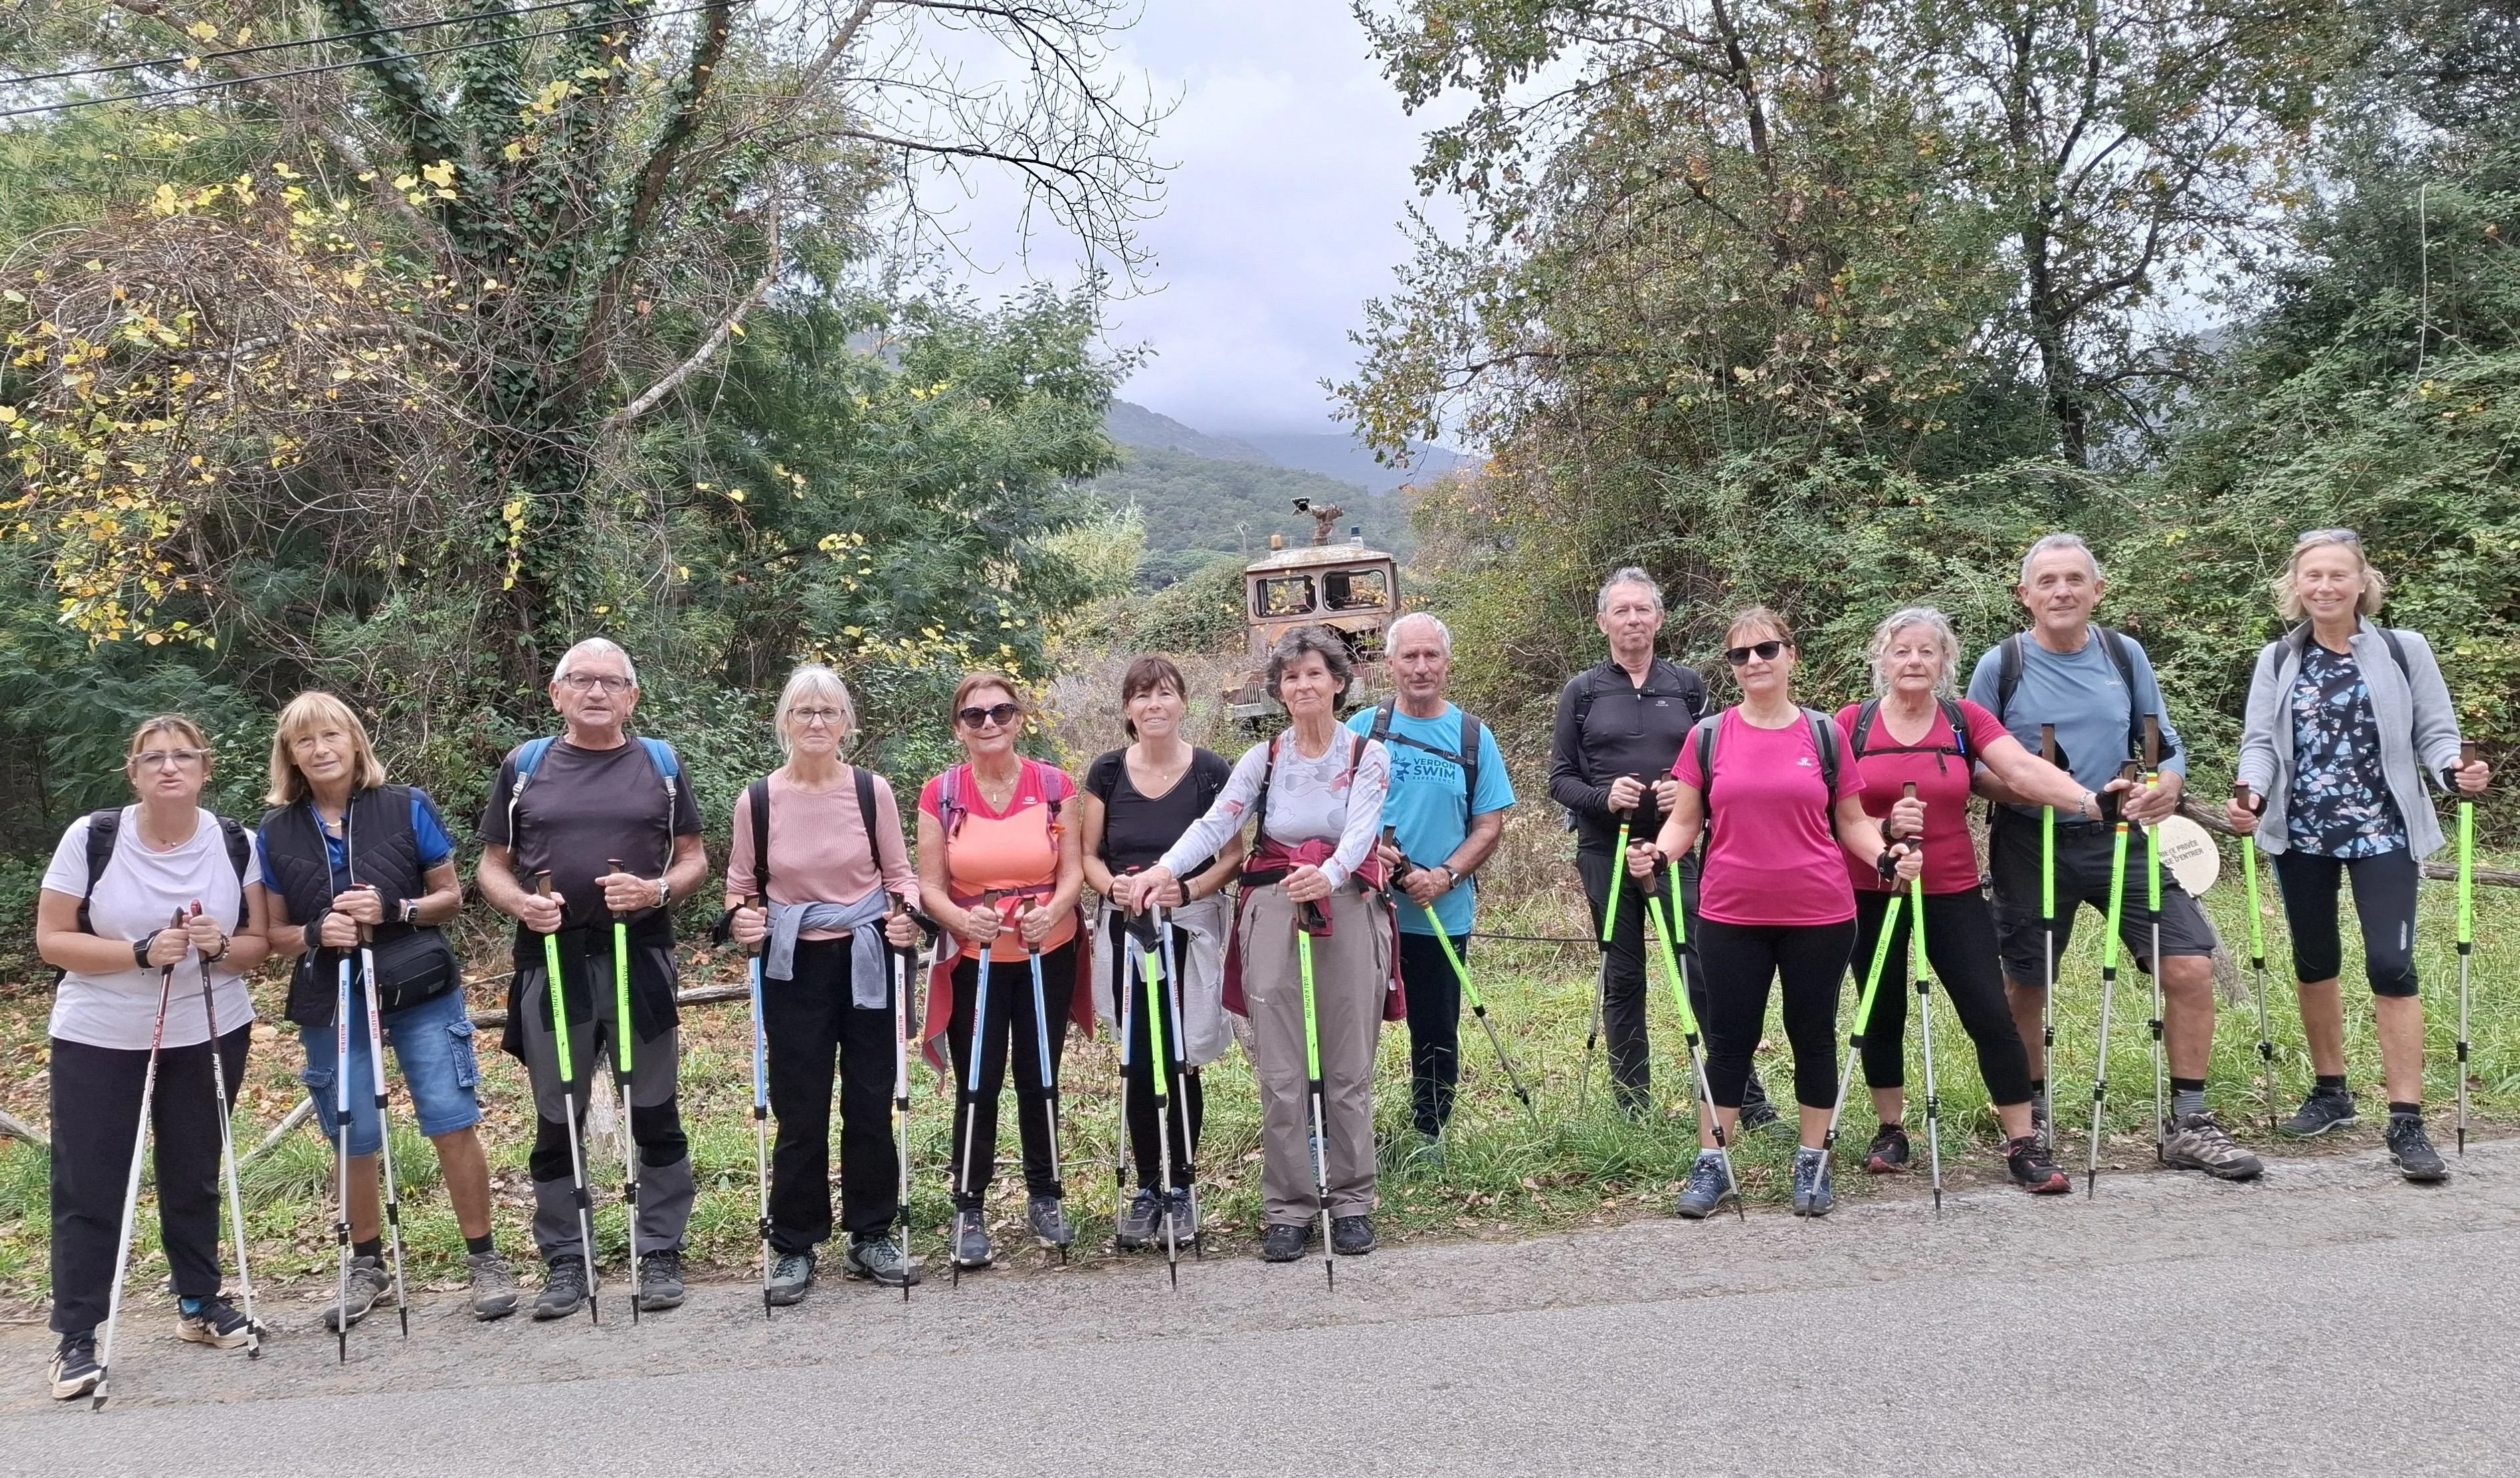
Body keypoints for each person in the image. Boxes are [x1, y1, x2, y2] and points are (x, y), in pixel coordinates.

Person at [1966, 533, 2262, 1180]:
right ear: (2024, 596)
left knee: (2188, 966)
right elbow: (1973, 767)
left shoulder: (2123, 656)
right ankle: (2030, 1118)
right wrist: (2042, 793)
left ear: (2097, 590)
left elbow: (2162, 743)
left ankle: (2189, 1121)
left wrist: (2169, 786)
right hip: (2029, 841)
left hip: (2121, 840)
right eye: (2046, 582)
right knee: (2025, 983)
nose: (2061, 591)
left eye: (2074, 579)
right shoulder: (2002, 664)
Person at [1118, 625, 1394, 1262]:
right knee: (1282, 1067)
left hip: (1345, 905)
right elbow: (1218, 821)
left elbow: (1359, 834)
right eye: (1291, 676)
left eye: (1314, 674)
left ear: (1338, 683)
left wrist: (1326, 875)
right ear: (1278, 688)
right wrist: (1165, 870)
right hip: (1271, 906)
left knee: (1348, 1061)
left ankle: (1351, 1201)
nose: (1303, 685)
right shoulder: (1264, 758)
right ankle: (1288, 1209)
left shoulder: (1366, 756)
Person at [1634, 609, 1919, 1219]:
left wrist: (1887, 857)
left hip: (1818, 912)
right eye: (1740, 655)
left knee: (1812, 1036)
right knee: (1729, 1041)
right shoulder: (1707, 736)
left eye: (1765, 650)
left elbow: (1850, 824)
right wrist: (1657, 853)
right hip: (1730, 912)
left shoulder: (1823, 735)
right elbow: (1684, 820)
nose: (1754, 662)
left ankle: (1812, 1161)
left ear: (1790, 654)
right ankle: (1713, 1164)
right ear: (1730, 668)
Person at [2228, 530, 2485, 1182]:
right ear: (2294, 585)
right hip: (2301, 834)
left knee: (2391, 964)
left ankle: (2405, 1120)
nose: (2323, 586)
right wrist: (2250, 790)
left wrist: (2453, 771)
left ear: (2359, 581)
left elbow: (2434, 731)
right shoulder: (2277, 659)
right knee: (2314, 961)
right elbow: (2259, 742)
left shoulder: (2403, 649)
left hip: (2384, 833)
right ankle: (2330, 1092)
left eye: (2336, 574)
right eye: (2311, 575)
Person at [34, 716, 274, 1400]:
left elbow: (260, 944)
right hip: (100, 1032)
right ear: (133, 771)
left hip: (210, 1024)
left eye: (183, 756)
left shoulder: (236, 842)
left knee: (193, 1166)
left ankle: (199, 1302)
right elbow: (52, 938)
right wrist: (139, 952)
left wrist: (218, 942)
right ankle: (77, 1333)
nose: (169, 767)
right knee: (90, 1177)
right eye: (153, 757)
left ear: (205, 768)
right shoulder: (93, 836)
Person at [257, 692, 512, 1327]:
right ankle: (366, 1264)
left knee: (451, 1117)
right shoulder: (275, 831)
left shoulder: (406, 806)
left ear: (354, 741)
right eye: (305, 742)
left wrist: (393, 910)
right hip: (330, 995)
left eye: (331, 736)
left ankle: (483, 1257)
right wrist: (318, 933)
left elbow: (450, 898)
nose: (321, 750)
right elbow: (272, 936)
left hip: (417, 986)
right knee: (352, 1133)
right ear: (290, 755)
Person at [476, 638, 710, 1319]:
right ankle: (565, 1259)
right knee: (558, 1113)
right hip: (551, 960)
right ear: (557, 693)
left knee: (655, 1106)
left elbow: (694, 857)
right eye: (581, 679)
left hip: (639, 956)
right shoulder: (525, 765)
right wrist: (520, 902)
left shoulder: (659, 764)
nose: (596, 692)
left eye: (612, 681)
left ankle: (660, 1246)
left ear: (632, 697)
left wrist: (655, 890)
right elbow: (491, 863)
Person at [1838, 609, 2100, 1194]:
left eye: (1926, 652)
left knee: (1988, 1010)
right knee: (1879, 1012)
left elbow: (2022, 771)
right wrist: (1883, 824)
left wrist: (2088, 802)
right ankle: (1890, 1130)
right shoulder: (1851, 725)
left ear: (1944, 663)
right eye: (1901, 650)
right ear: (1881, 659)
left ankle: (2022, 1140)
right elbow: (1831, 811)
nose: (1913, 661)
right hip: (1870, 888)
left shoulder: (1964, 720)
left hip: (1951, 888)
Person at [725, 665, 927, 1299]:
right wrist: (742, 920)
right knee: (800, 1108)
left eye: (829, 712)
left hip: (866, 956)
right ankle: (793, 1244)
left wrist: (906, 919)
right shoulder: (757, 800)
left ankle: (871, 1236)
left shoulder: (872, 792)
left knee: (870, 1101)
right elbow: (738, 888)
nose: (817, 723)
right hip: (792, 965)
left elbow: (901, 877)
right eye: (804, 712)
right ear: (784, 721)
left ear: (846, 724)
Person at [1549, 567, 1773, 1123]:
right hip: (1606, 851)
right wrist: (1604, 798)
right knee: (1624, 978)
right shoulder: (1582, 692)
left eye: (1642, 610)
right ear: (1603, 622)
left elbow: (1717, 767)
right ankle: (1633, 1107)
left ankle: (1741, 1098)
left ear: (1659, 618)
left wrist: (1689, 792)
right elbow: (1558, 779)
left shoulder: (1688, 686)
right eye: (1621, 611)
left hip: (1676, 851)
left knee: (1706, 969)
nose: (1632, 620)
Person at [915, 672, 1089, 1272]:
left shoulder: (1055, 784)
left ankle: (1046, 1196)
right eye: (974, 715)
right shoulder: (940, 793)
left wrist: (1055, 909)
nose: (989, 723)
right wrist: (963, 923)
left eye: (1001, 711)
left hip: (1047, 948)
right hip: (975, 957)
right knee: (977, 1081)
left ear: (1019, 717)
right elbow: (929, 887)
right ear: (958, 726)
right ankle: (969, 1204)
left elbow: (1073, 872)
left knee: (1040, 1075)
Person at [1078, 656, 1240, 1251]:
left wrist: (1188, 887)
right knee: (1138, 1058)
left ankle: (1183, 1185)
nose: (1154, 705)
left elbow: (1232, 855)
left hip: (1188, 928)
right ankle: (1148, 1186)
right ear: (1127, 708)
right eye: (1142, 695)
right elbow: (1089, 854)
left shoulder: (1210, 771)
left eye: (1165, 693)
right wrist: (1111, 886)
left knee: (1181, 1057)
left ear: (1182, 703)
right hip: (1126, 926)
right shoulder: (1106, 772)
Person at [1350, 613, 1515, 1155]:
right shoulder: (1359, 730)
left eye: (1431, 656)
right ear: (1389, 664)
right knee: (1348, 1029)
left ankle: (1430, 1132)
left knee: (1436, 1028)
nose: (1420, 668)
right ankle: (1348, 1136)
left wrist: (1445, 875)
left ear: (1446, 663)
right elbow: (1328, 813)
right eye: (1409, 657)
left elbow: (1488, 823)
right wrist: (1368, 853)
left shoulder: (1472, 736)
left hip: (1439, 912)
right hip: (1361, 913)